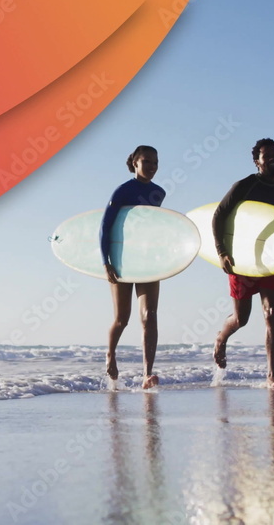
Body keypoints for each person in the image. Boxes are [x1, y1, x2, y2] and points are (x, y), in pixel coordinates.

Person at [212, 138, 274, 389]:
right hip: (243, 259)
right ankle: (221, 339)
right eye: (266, 156)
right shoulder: (244, 185)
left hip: (270, 259)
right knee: (241, 318)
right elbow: (218, 216)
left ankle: (271, 374)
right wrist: (222, 251)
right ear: (256, 161)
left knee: (271, 313)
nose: (272, 159)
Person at [101, 145, 165, 389]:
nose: (151, 166)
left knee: (150, 316)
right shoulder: (122, 191)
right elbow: (105, 227)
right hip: (122, 261)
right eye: (146, 161)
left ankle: (147, 373)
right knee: (122, 319)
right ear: (135, 163)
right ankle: (111, 354)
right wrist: (105, 262)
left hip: (147, 262)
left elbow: (156, 230)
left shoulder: (159, 192)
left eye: (155, 162)